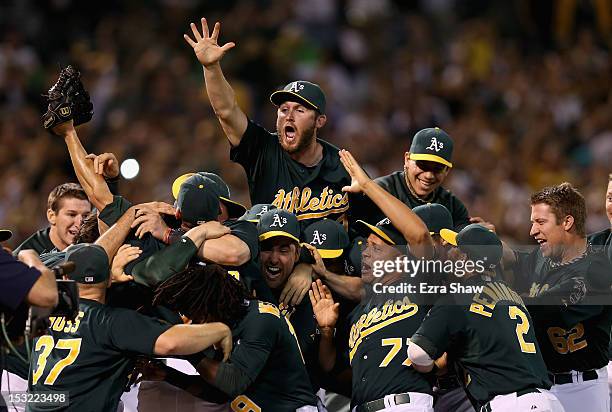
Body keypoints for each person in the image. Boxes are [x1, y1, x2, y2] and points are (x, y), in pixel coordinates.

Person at [27, 206, 233, 412]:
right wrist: (220, 330)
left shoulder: (45, 308)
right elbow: (171, 342)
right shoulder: (110, 322)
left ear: (65, 277)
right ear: (108, 278)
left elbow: (31, 261)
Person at [183, 18, 351, 227]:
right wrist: (211, 67)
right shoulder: (264, 149)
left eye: (300, 110)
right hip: (271, 256)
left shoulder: (342, 165)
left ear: (320, 121)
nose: (289, 116)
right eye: (283, 110)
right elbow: (226, 111)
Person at [309, 149, 438, 412]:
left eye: (376, 247)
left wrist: (367, 184)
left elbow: (419, 236)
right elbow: (330, 366)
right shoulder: (359, 310)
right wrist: (326, 332)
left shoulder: (419, 283)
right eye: (367, 245)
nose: (365, 253)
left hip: (405, 404)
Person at [408, 224, 565, 412]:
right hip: (548, 400)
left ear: (464, 258)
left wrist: (430, 369)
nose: (448, 253)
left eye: (453, 248)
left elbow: (417, 353)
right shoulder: (512, 295)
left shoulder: (457, 297)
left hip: (509, 403)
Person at [503, 182, 612, 412]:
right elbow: (513, 257)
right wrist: (478, 240)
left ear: (567, 222)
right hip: (544, 386)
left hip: (584, 390)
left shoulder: (596, 270)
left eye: (541, 222)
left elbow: (546, 306)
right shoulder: (545, 257)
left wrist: (503, 301)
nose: (532, 231)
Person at [150, 263, 319, 411]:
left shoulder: (259, 320)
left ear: (212, 305)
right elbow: (219, 394)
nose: (192, 322)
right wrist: (167, 375)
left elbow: (234, 382)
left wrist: (185, 349)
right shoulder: (228, 324)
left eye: (196, 314)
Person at [353, 127, 470, 230]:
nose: (429, 175)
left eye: (437, 168)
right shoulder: (380, 189)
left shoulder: (452, 206)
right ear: (407, 159)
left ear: (447, 171)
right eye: (422, 165)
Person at [12, 183, 91, 256]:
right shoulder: (22, 259)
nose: (80, 223)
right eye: (72, 215)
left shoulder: (93, 244)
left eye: (85, 216)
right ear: (51, 216)